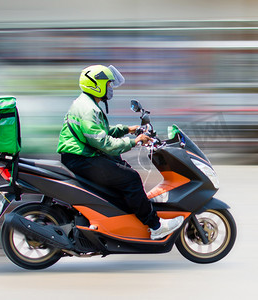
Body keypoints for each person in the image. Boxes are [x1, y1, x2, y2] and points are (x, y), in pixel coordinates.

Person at [57, 65, 183, 240]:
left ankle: (123, 218)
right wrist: (135, 141)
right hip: (81, 159)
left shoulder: (87, 104)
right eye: (108, 84)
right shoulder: (88, 109)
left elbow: (102, 132)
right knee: (130, 178)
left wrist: (128, 130)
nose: (110, 88)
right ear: (96, 85)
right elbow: (104, 143)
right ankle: (155, 226)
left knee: (120, 165)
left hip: (82, 155)